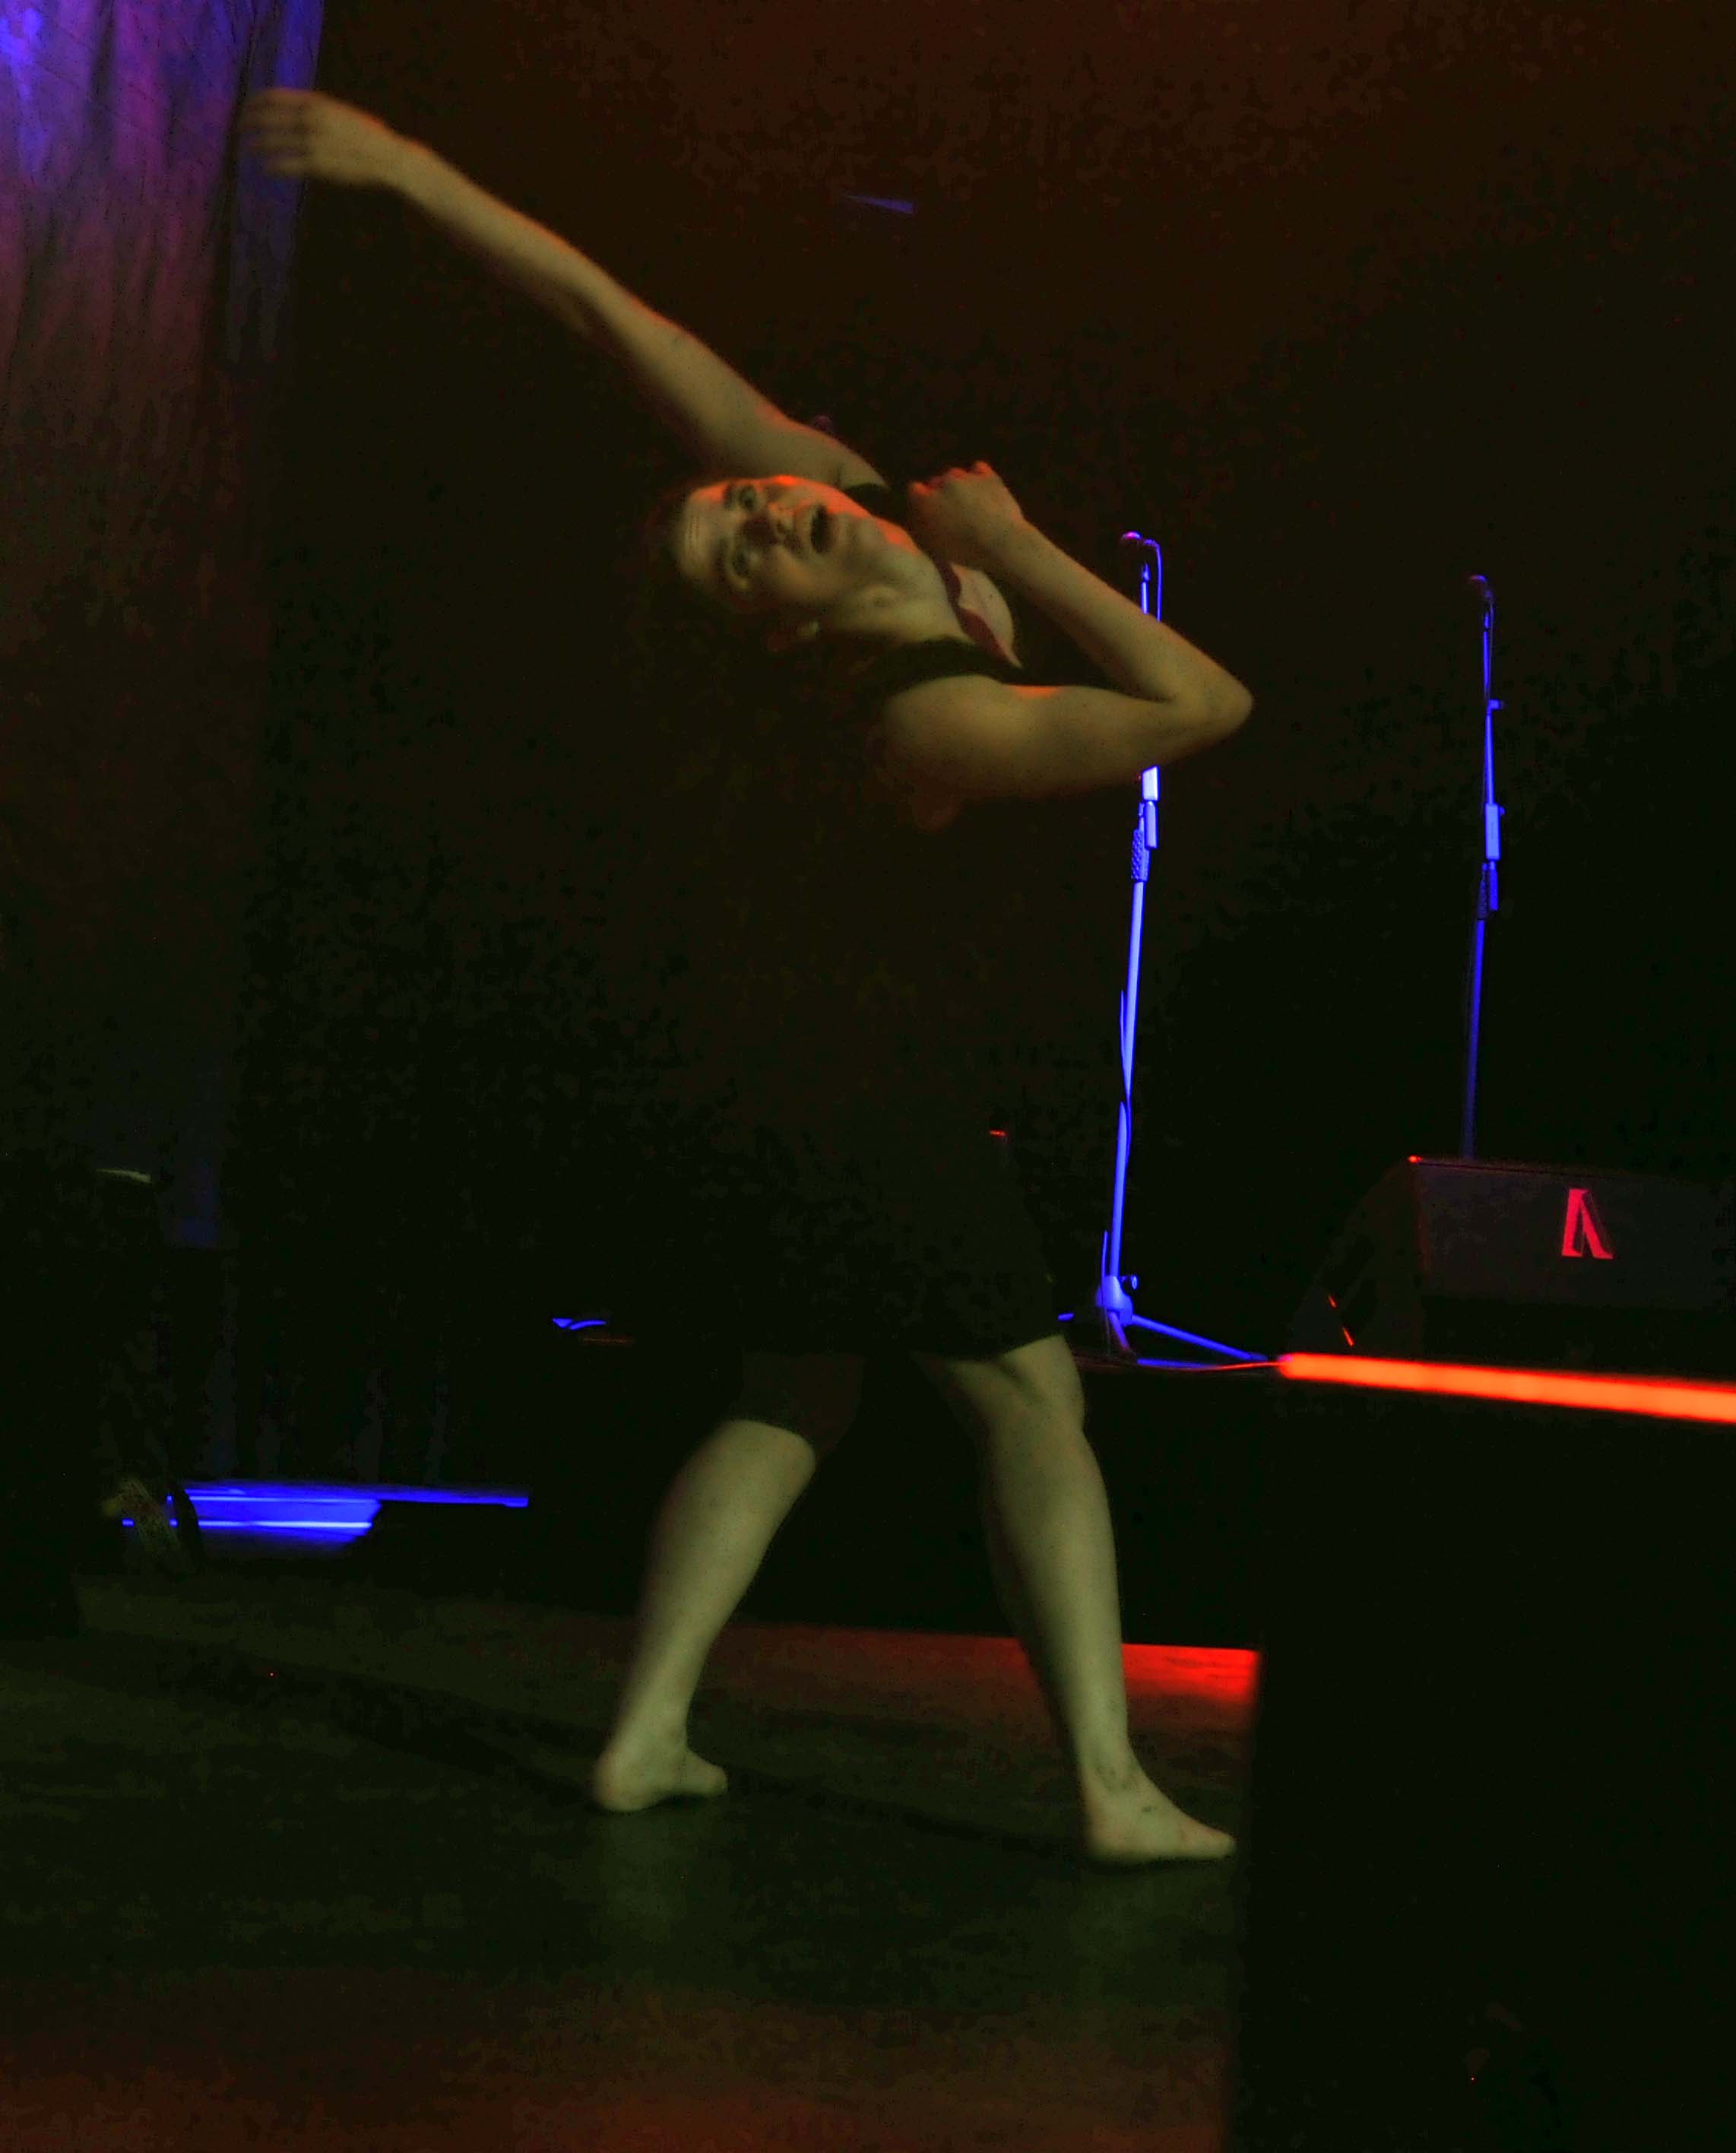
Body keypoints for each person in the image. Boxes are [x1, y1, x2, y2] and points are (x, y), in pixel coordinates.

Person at [242, 89, 1254, 1863]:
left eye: (743, 497)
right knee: (1024, 1398)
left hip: (777, 1072)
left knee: (793, 1390)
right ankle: (1106, 1792)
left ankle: (643, 1740)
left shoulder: (842, 499)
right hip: (846, 1090)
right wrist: (1016, 553)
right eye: (738, 549)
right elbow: (1202, 706)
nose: (764, 507)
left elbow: (608, 318)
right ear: (774, 625)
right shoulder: (917, 716)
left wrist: (407, 172)